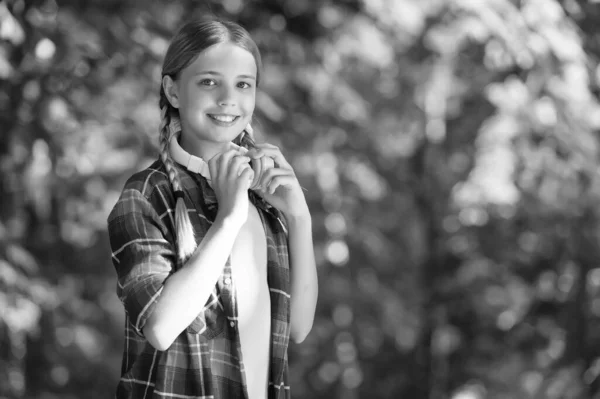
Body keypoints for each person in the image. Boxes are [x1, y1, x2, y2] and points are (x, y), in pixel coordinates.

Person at [107, 18, 318, 399]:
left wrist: (299, 218)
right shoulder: (146, 194)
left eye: (243, 84)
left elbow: (297, 329)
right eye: (208, 82)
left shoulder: (264, 201)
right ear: (173, 91)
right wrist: (230, 218)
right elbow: (160, 326)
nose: (227, 99)